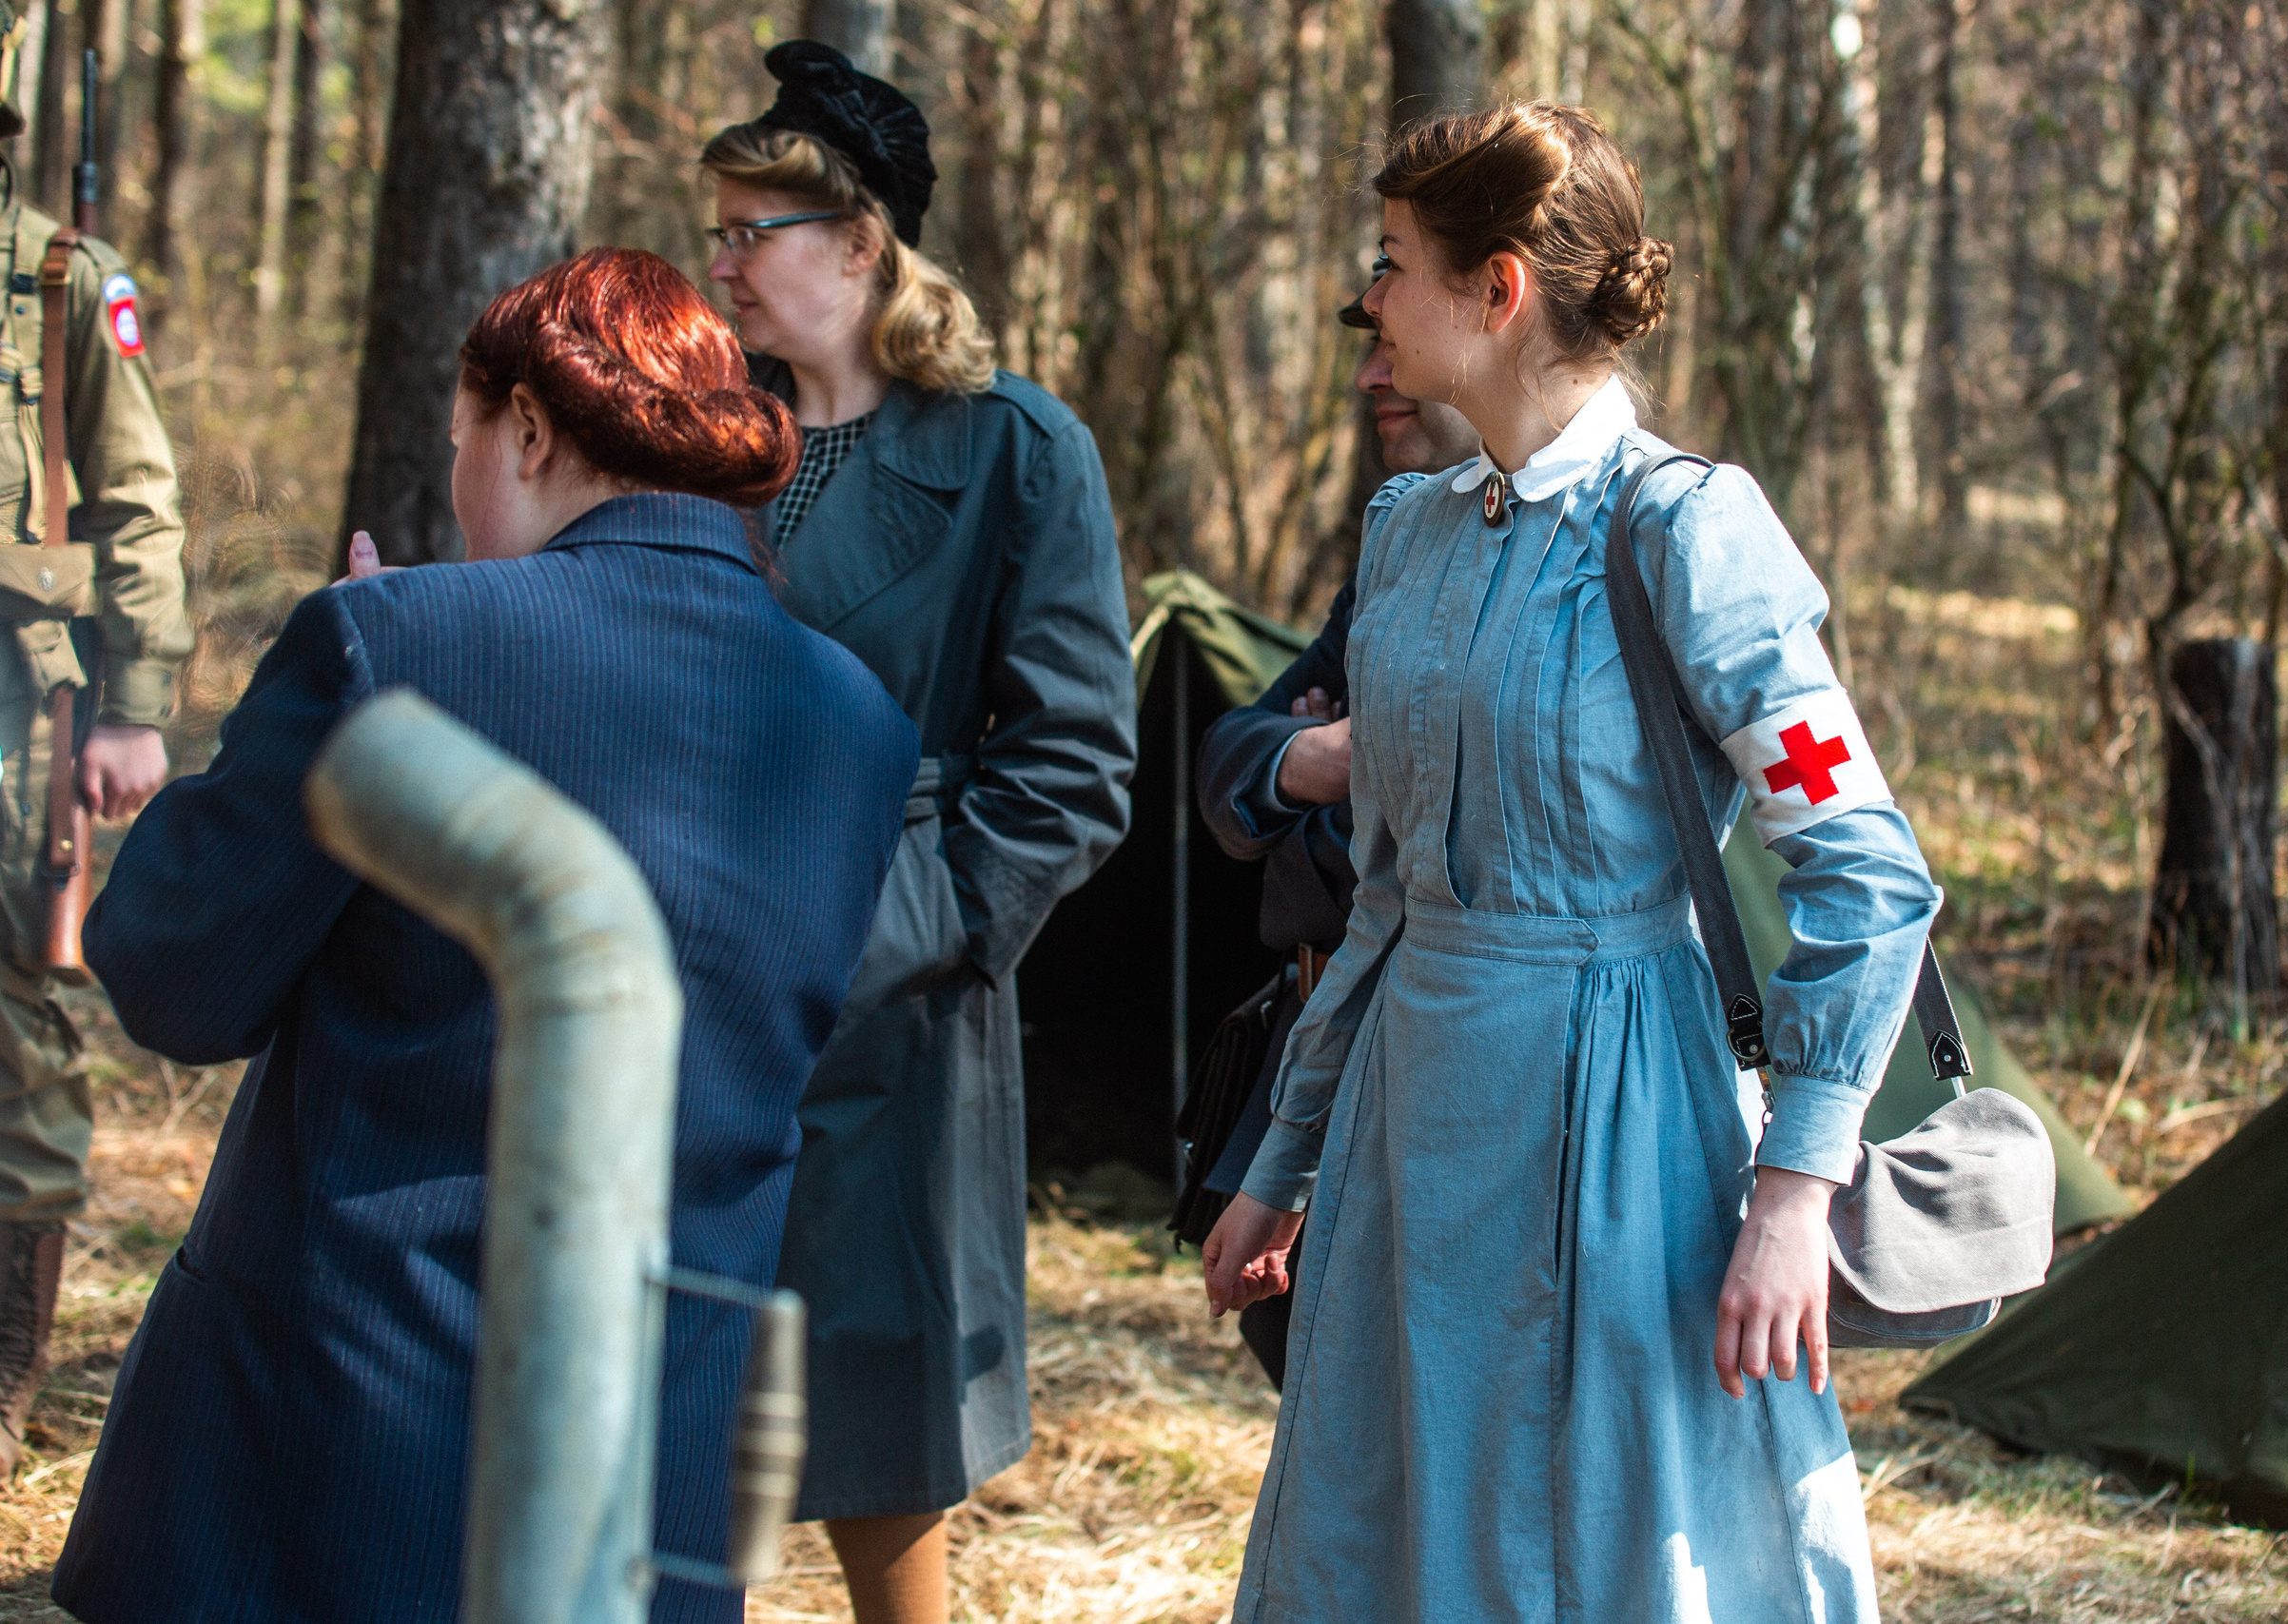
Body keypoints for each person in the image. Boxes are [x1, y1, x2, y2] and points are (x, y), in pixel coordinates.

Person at [48, 249, 919, 1624]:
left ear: (524, 426)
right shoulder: (864, 722)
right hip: (663, 1470)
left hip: (340, 1454)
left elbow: (170, 973)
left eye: (461, 435)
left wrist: (352, 667)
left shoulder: (395, 645)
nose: (459, 476)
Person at [1203, 105, 1941, 1622]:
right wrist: (1283, 1159)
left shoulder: (1689, 533)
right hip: (1414, 1134)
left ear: (1500, 291)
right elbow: (1393, 897)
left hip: (1626, 1133)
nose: (1371, 302)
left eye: (1394, 265)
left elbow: (1863, 864)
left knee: (1612, 1544)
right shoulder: (1411, 532)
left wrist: (1796, 1182)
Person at [698, 43, 1135, 1624]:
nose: (724, 260)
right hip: (677, 964)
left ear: (863, 243)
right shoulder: (695, 430)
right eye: (722, 229)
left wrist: (882, 928)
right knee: (685, 1387)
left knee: (877, 1410)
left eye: (758, 230)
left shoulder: (1016, 448)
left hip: (896, 986)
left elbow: (1075, 766)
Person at [1192, 293, 1477, 1386]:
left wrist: (1331, 810)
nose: (1368, 379)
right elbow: (1233, 763)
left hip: (1457, 1068)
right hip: (1317, 1050)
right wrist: (1314, 761)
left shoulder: (1646, 537)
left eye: (1387, 346)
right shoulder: (1400, 543)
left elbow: (1390, 852)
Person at [0, 3, 192, 1470]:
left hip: (10, 706)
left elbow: (134, 498)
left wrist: (134, 704)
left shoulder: (58, 278)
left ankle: (1, 1385)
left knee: (20, 1036)